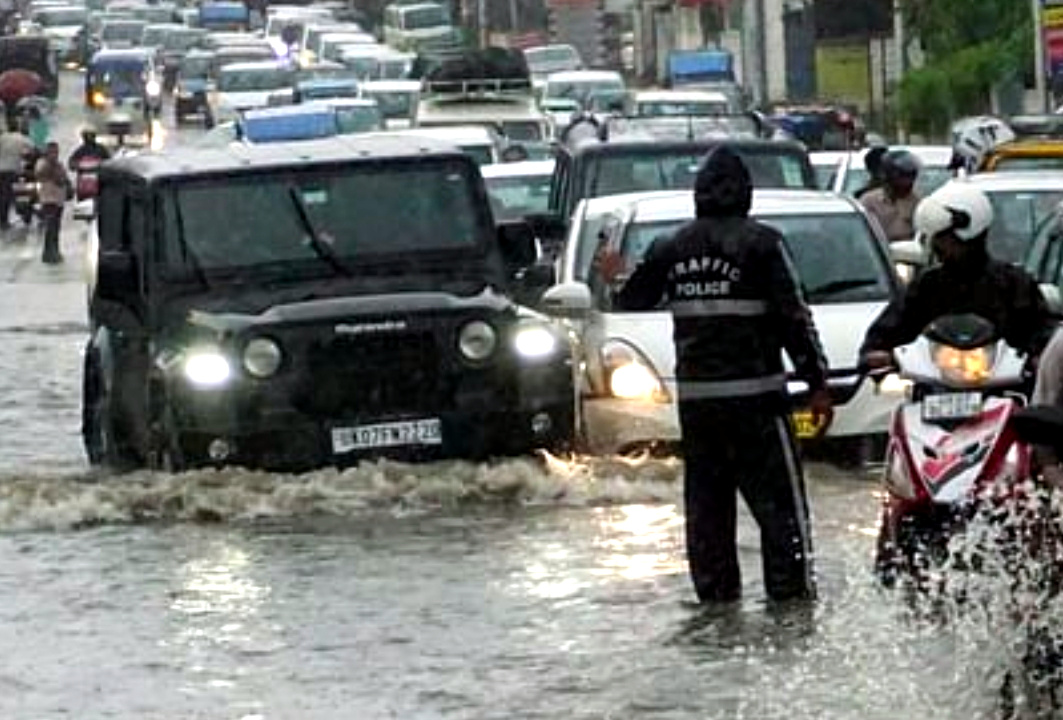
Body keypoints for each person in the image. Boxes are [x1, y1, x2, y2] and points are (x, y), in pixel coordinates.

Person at [597, 146, 834, 604]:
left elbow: (631, 301)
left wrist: (615, 276)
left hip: (699, 408)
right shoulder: (764, 244)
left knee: (707, 515)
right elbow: (794, 318)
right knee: (781, 516)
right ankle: (792, 612)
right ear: (745, 195)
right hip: (759, 405)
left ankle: (716, 611)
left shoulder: (670, 248)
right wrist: (818, 383)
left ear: (698, 196)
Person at [860, 183, 1051, 373]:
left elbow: (1043, 331)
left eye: (944, 237)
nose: (937, 245)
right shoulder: (927, 286)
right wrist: (877, 352)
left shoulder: (1015, 284)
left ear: (970, 235)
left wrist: (1038, 356)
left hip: (1003, 386)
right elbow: (892, 327)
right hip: (934, 385)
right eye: (935, 238)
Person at [859, 148, 921, 243]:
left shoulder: (918, 202)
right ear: (888, 177)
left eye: (911, 177)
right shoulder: (869, 201)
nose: (907, 183)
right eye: (902, 177)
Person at [34, 141, 71, 264]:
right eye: (52, 152)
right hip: (48, 199)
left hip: (59, 199)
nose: (54, 154)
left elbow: (64, 178)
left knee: (56, 227)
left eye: (56, 152)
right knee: (51, 227)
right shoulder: (42, 164)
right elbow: (39, 174)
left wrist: (68, 186)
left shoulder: (59, 165)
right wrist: (51, 166)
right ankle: (48, 253)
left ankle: (54, 250)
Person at [0, 122, 34, 234]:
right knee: (9, 194)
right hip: (14, 171)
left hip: (2, 171)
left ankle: (4, 220)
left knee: (5, 195)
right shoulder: (23, 139)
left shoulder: (2, 138)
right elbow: (33, 152)